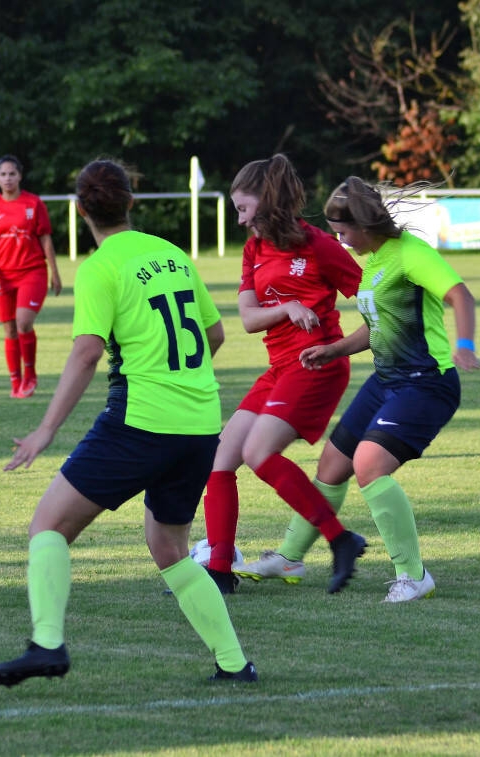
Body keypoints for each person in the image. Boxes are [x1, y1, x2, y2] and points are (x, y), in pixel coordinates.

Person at [0, 158, 257, 687]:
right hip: (201, 425)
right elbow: (214, 334)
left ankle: (47, 645)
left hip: (140, 422)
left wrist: (46, 430)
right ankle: (234, 664)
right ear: (131, 202)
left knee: (49, 526)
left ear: (82, 211)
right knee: (170, 547)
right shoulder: (173, 255)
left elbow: (87, 353)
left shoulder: (100, 267)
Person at [234, 176, 480, 602]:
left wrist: (465, 345)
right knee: (332, 465)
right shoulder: (373, 259)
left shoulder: (410, 254)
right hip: (386, 381)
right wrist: (333, 350)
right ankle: (290, 557)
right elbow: (378, 326)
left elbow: (460, 295)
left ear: (364, 225)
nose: (339, 238)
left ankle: (413, 575)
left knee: (369, 464)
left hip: (426, 383)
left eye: (343, 230)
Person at [202, 154, 367, 596]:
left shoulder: (319, 246)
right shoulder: (254, 248)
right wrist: (288, 307)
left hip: (315, 365)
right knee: (220, 459)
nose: (240, 220)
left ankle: (340, 539)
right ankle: (219, 570)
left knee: (258, 452)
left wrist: (344, 346)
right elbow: (248, 319)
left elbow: (377, 301)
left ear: (268, 201)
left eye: (243, 208)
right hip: (279, 368)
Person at [0, 155, 62, 398]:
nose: (8, 178)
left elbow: (46, 239)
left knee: (23, 322)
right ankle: (15, 381)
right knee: (10, 330)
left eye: (12, 174)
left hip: (32, 272)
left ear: (20, 176)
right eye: (3, 174)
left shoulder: (34, 203)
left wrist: (55, 273)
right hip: (4, 276)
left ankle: (30, 374)